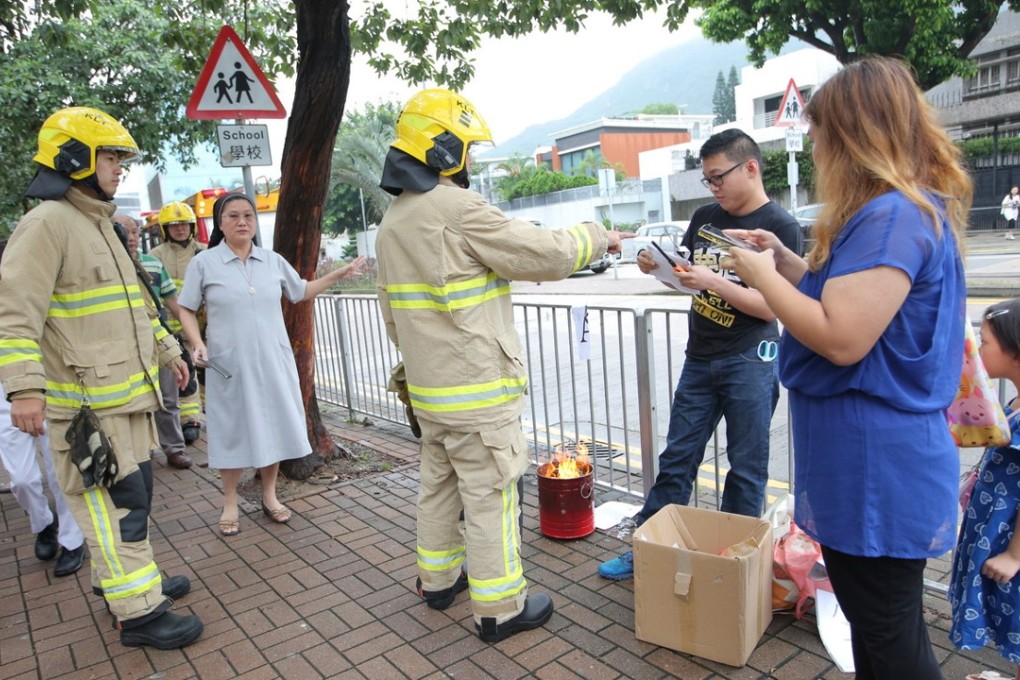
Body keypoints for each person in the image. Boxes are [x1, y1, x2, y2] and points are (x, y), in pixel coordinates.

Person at [726, 57, 971, 679]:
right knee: (885, 625)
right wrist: (785, 262)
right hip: (872, 462)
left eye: (821, 130)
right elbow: (847, 301)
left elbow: (841, 337)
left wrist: (758, 278)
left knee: (887, 633)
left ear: (854, 134)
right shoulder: (901, 209)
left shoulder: (891, 215)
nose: (812, 143)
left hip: (875, 467)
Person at [375, 88, 629, 643]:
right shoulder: (456, 209)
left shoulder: (392, 224)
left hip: (430, 391)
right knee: (491, 495)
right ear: (445, 150)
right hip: (479, 394)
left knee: (438, 486)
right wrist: (597, 237)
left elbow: (393, 315)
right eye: (467, 148)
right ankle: (500, 609)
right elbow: (543, 253)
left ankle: (437, 581)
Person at [0, 106, 202, 648]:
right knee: (116, 505)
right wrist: (23, 388)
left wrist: (167, 348)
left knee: (135, 497)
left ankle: (129, 583)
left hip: (125, 399)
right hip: (84, 410)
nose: (119, 168)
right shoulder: (45, 225)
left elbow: (134, 304)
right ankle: (138, 614)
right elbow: (15, 313)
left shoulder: (99, 224)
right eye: (111, 156)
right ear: (74, 158)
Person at [599, 128, 802, 581]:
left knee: (746, 469)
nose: (713, 189)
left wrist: (712, 282)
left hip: (752, 357)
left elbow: (772, 306)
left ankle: (731, 568)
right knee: (677, 460)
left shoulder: (779, 228)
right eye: (707, 181)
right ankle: (648, 549)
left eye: (718, 177)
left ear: (750, 167)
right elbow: (687, 275)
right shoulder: (707, 216)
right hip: (700, 356)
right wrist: (660, 268)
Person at [176, 192, 365, 536]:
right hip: (230, 364)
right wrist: (197, 342)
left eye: (248, 215)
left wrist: (339, 274)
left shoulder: (272, 260)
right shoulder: (204, 263)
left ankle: (269, 495)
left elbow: (301, 291)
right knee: (232, 429)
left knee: (272, 426)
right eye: (232, 216)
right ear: (220, 223)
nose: (242, 221)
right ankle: (230, 501)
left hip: (273, 363)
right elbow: (185, 307)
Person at [0, 239, 86, 577]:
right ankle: (42, 524)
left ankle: (72, 538)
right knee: (21, 478)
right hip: (6, 398)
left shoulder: (41, 291)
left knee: (60, 469)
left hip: (49, 390)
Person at [950, 299, 1020, 680]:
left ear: (1015, 350)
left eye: (986, 341)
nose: (977, 348)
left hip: (1011, 539)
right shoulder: (1014, 400)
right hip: (997, 527)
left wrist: (1013, 553)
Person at [117, 213, 192, 469]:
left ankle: (174, 449)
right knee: (136, 402)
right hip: (124, 347)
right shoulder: (109, 266)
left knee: (168, 399)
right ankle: (142, 452)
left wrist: (194, 339)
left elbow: (175, 304)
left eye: (135, 232)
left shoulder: (153, 265)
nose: (132, 238)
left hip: (158, 341)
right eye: (124, 231)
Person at [150, 202, 205, 444]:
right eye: (174, 225)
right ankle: (189, 420)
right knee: (184, 374)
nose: (180, 229)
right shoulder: (155, 256)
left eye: (184, 224)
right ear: (165, 229)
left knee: (207, 372)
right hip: (170, 328)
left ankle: (208, 415)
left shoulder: (204, 252)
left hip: (202, 324)